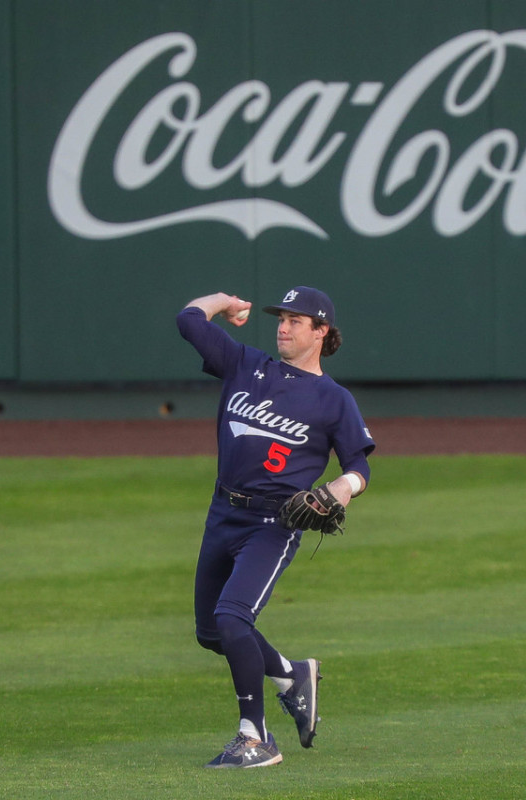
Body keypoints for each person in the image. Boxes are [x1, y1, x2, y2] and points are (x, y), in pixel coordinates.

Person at [176, 286, 375, 768]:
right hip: (222, 511)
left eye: (296, 320)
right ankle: (290, 675)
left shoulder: (334, 400)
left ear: (321, 332)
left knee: (233, 616)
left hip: (273, 522)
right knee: (210, 632)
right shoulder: (246, 363)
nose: (283, 327)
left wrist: (342, 487)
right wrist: (223, 301)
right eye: (281, 318)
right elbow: (188, 321)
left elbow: (359, 466)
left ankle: (256, 738)